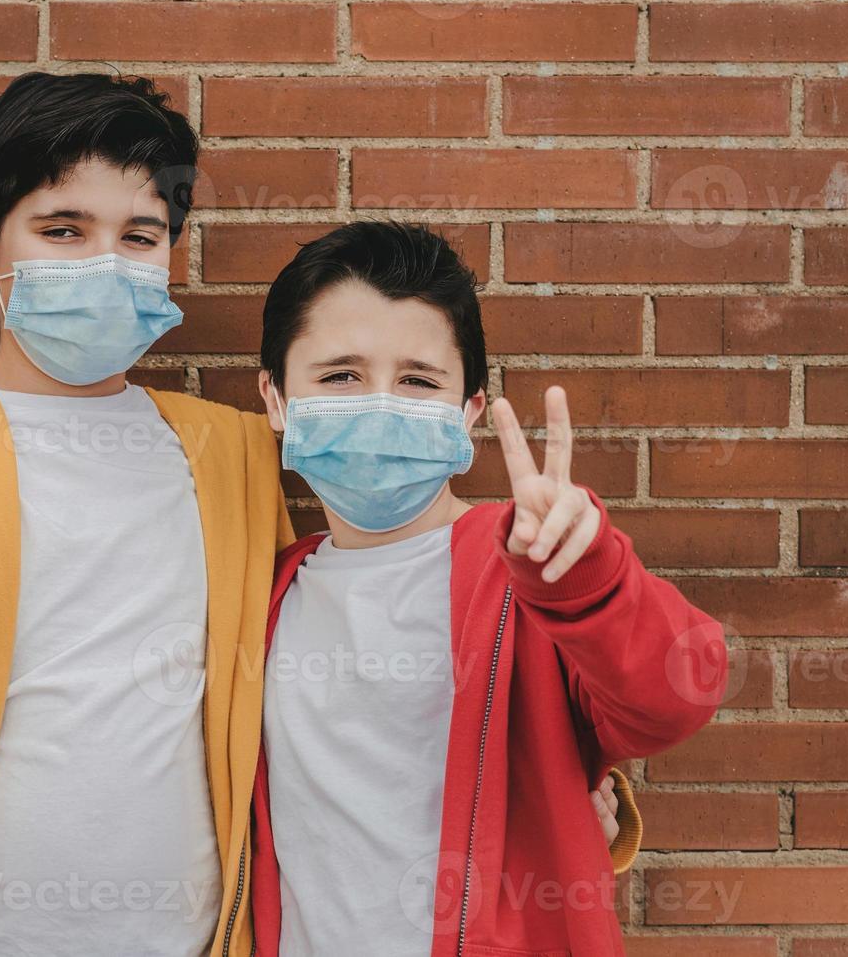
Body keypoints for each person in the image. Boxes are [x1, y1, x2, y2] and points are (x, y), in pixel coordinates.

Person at [0, 71, 639, 957]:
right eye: (62, 230)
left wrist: (557, 791)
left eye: (138, 236)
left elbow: (324, 686)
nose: (105, 261)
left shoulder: (228, 454)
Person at [248, 222, 726, 956]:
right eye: (340, 375)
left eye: (418, 380)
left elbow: (676, 695)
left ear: (467, 411)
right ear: (278, 401)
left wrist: (587, 579)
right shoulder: (265, 592)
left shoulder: (528, 570)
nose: (379, 404)